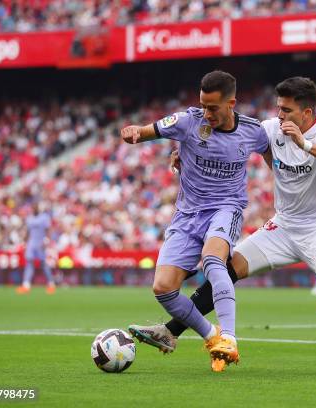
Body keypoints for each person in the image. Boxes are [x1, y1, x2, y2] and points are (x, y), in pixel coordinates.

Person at [153, 77, 316, 374]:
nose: (280, 115)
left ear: (307, 113)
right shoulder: (270, 129)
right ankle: (171, 332)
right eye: (279, 108)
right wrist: (185, 154)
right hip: (283, 227)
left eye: (286, 110)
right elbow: (231, 137)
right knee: (226, 268)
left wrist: (304, 142)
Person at [121, 70, 270, 372]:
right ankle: (212, 335)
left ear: (232, 103)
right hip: (187, 214)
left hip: (225, 209)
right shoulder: (188, 121)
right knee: (163, 287)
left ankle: (229, 336)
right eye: (203, 105)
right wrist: (134, 132)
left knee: (213, 260)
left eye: (213, 107)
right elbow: (147, 130)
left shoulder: (253, 131)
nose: (206, 113)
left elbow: (271, 154)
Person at [16, 202, 56, 294]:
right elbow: (28, 231)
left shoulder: (44, 217)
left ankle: (51, 283)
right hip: (31, 243)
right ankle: (26, 285)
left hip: (40, 242)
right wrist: (24, 241)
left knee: (43, 264)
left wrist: (47, 240)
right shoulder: (29, 219)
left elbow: (48, 230)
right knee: (29, 263)